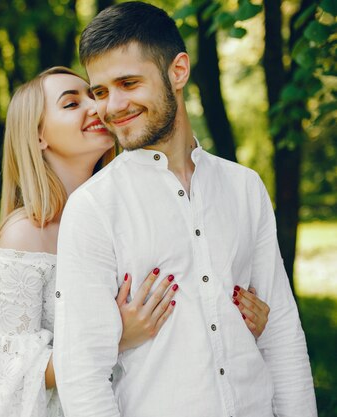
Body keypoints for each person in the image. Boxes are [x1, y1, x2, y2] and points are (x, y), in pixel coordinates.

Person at [52, 2, 317, 417]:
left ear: (177, 71)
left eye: (128, 83)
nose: (112, 106)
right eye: (100, 91)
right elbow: (81, 372)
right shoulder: (93, 208)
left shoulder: (244, 186)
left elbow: (281, 332)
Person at [0, 66, 270, 417]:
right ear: (39, 134)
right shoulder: (26, 234)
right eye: (72, 104)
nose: (95, 107)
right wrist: (115, 337)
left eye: (94, 95)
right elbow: (11, 373)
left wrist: (240, 317)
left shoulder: (131, 208)